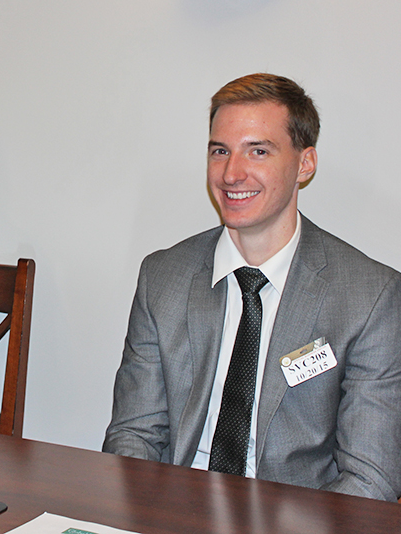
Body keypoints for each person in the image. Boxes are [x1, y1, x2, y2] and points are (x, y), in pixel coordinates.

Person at [103, 73, 401, 501]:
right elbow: (134, 436)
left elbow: (371, 481)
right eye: (220, 151)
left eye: (258, 151)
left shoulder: (370, 297)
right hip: (175, 513)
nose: (232, 173)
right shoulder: (163, 277)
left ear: (305, 164)